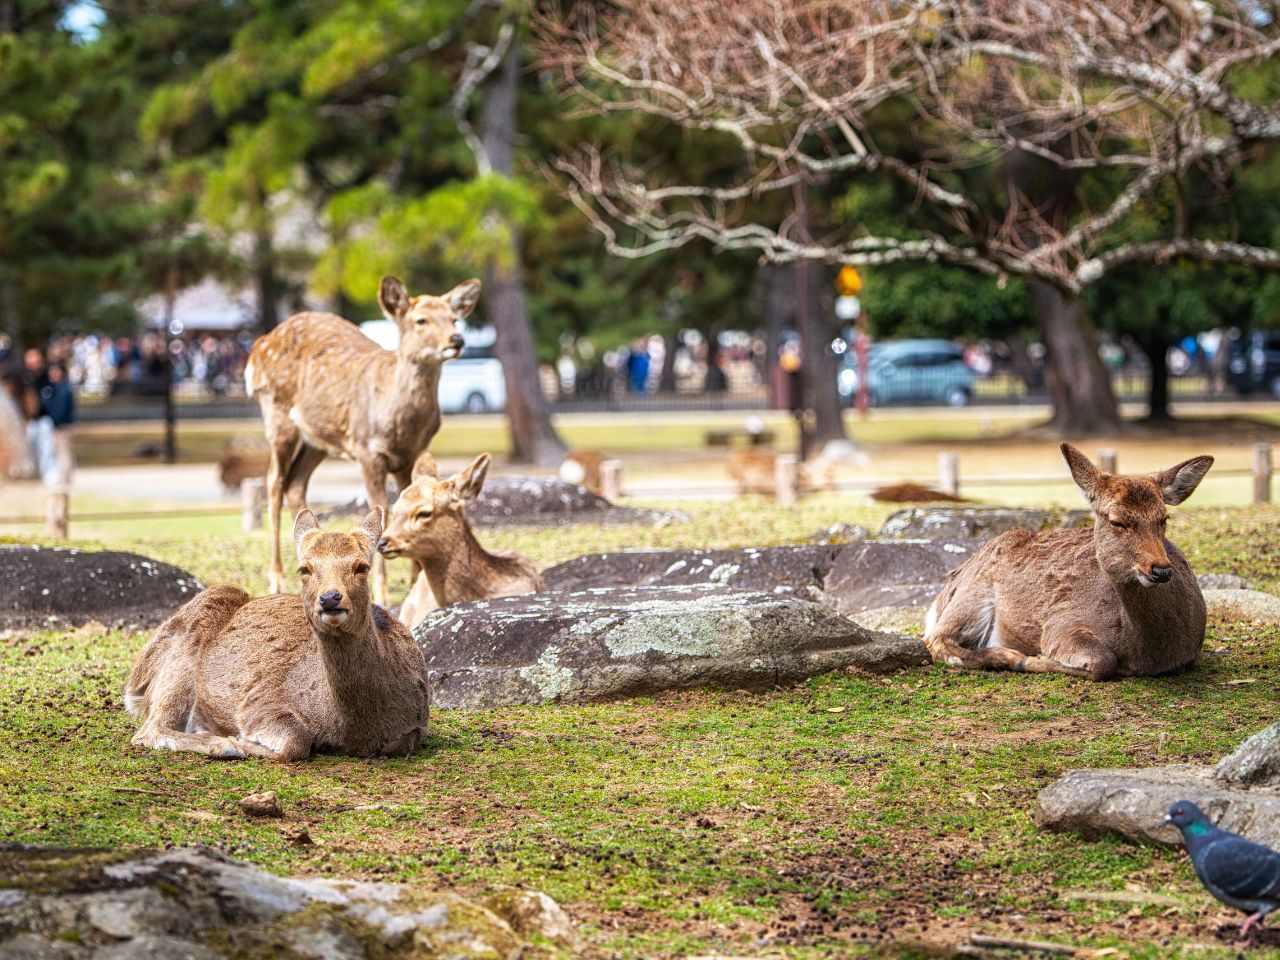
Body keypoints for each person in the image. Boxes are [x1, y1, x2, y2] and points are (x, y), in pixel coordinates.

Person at [39, 362, 75, 488]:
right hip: (56, 425)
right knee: (57, 453)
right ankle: (60, 478)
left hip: (62, 426)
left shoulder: (64, 390)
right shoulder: (54, 388)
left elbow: (60, 410)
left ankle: (64, 480)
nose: (53, 374)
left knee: (63, 453)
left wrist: (55, 421)